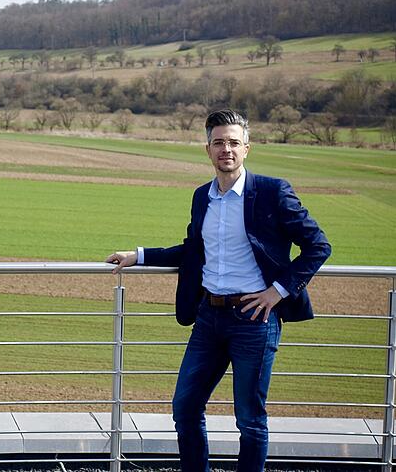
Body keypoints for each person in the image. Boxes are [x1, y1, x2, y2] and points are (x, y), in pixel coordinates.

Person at [105, 109, 330, 472]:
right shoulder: (202, 197)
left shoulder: (272, 192)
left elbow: (318, 245)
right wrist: (140, 256)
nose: (227, 149)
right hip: (208, 317)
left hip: (254, 320)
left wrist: (277, 291)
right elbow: (193, 250)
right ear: (208, 149)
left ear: (247, 148)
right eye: (219, 142)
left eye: (234, 143)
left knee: (249, 419)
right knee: (185, 407)